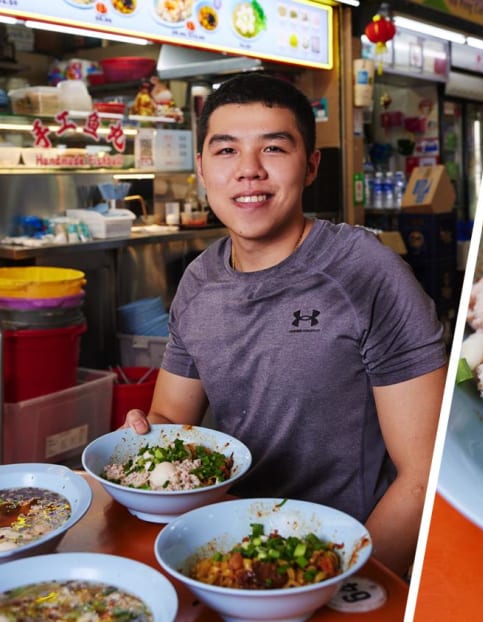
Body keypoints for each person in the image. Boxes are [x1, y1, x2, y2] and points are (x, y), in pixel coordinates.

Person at [125, 72, 448, 576]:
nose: (248, 171)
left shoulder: (365, 271)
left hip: (347, 551)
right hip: (232, 551)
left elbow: (425, 474)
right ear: (202, 168)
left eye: (273, 149)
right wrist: (146, 435)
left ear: (311, 165)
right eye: (226, 151)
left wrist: (335, 588)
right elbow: (171, 418)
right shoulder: (199, 281)